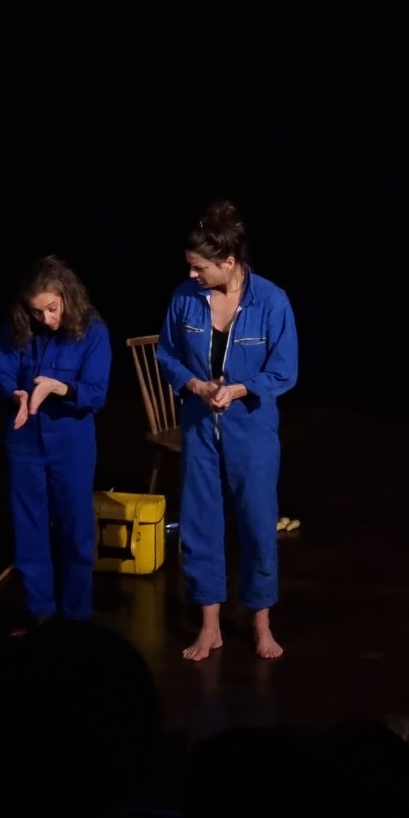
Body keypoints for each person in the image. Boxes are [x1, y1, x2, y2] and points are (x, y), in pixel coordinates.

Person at [156, 200, 298, 660]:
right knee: (199, 522)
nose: (192, 274)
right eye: (190, 266)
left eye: (200, 267)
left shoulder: (271, 301)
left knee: (257, 522)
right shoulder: (185, 297)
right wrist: (195, 384)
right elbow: (166, 353)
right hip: (200, 425)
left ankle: (261, 623)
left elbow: (284, 370)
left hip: (251, 428)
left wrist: (239, 389)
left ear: (229, 262)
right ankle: (210, 626)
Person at [0, 255, 112, 633]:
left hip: (71, 442)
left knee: (75, 529)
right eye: (37, 311)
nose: (46, 319)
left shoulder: (92, 331)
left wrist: (60, 388)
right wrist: (13, 394)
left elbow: (96, 393)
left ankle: (75, 620)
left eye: (52, 308)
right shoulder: (19, 326)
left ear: (66, 296)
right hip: (24, 439)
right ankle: (39, 614)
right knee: (29, 528)